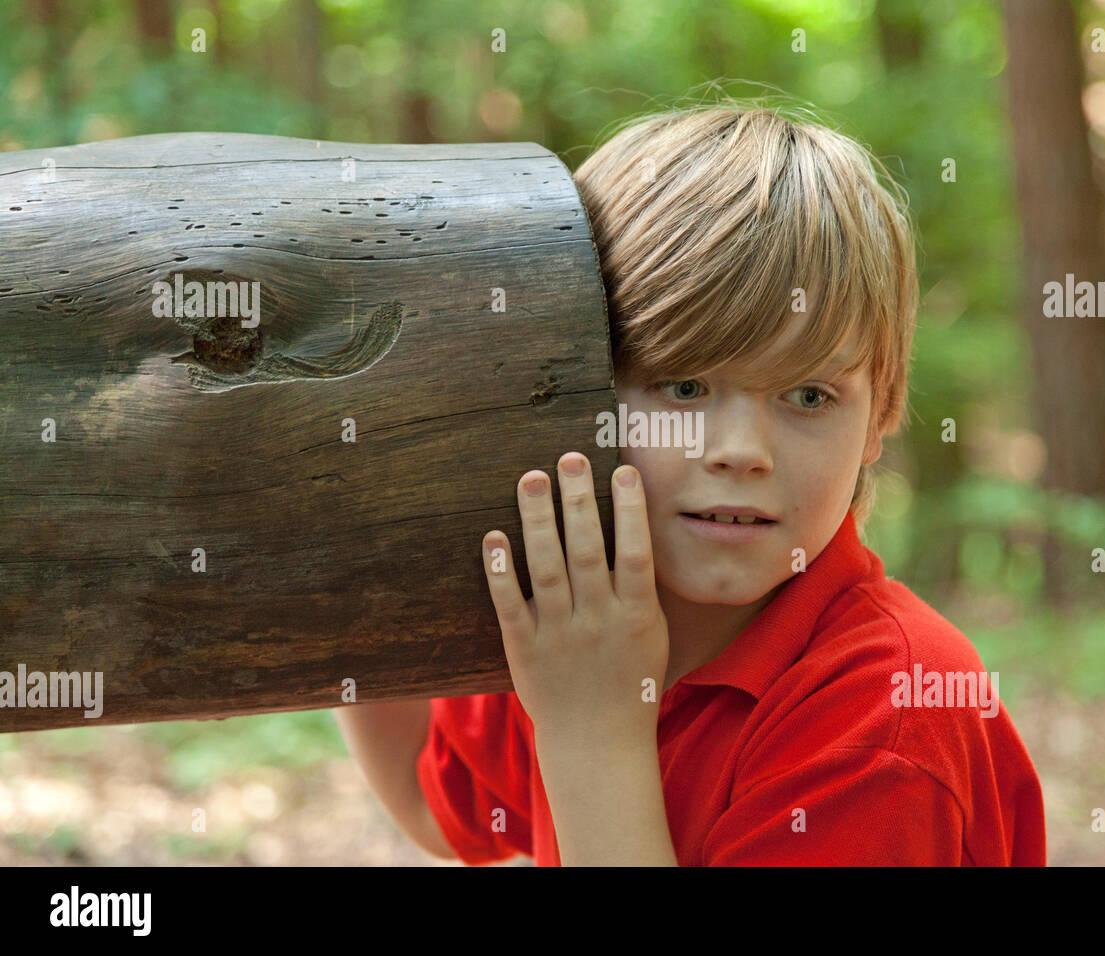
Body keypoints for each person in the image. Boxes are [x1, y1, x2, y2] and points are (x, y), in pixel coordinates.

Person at [335, 99, 1047, 866]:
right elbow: (431, 798)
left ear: (885, 413)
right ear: (574, 386)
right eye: (682, 387)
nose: (742, 452)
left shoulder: (893, 718)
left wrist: (593, 730)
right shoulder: (582, 625)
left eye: (808, 396)